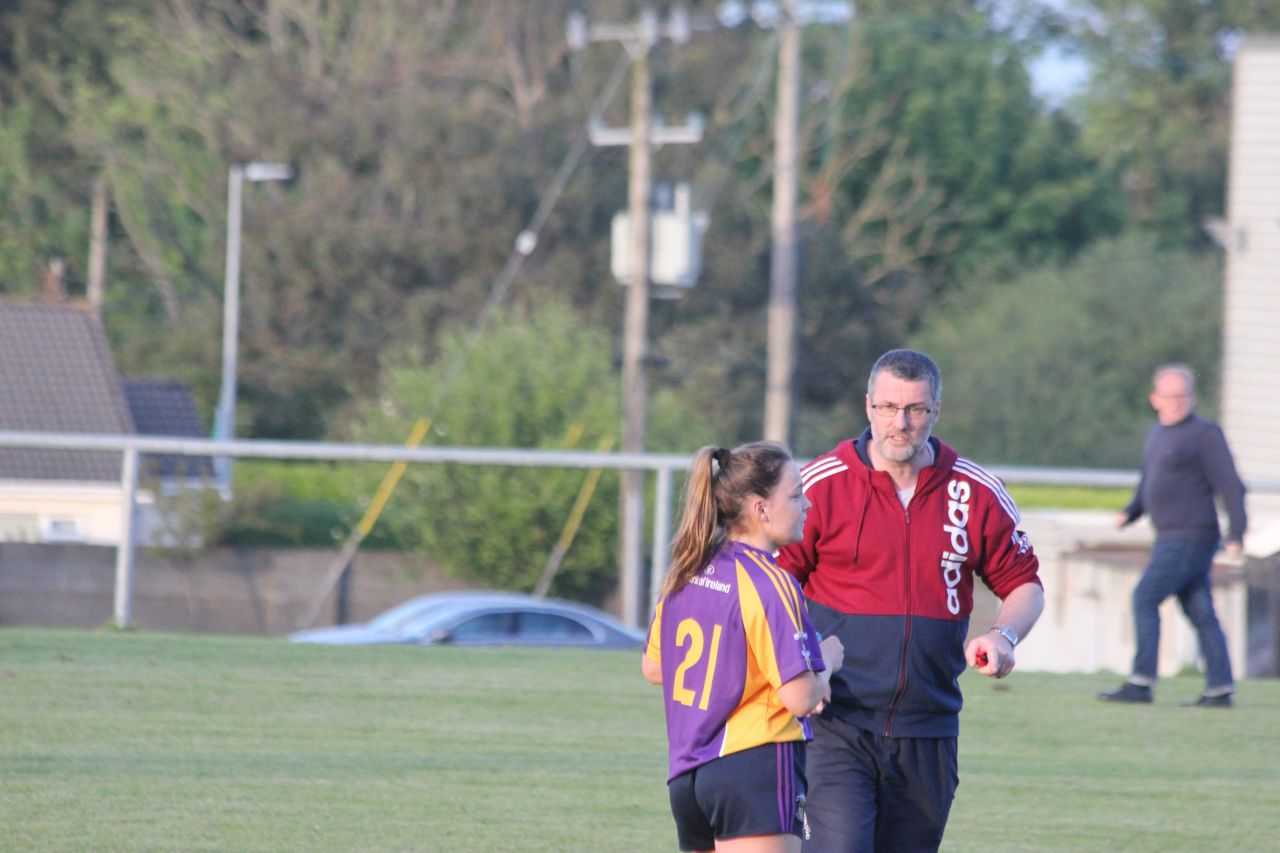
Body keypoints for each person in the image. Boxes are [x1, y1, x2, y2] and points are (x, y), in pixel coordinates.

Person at [774, 348, 1044, 853]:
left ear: (936, 411)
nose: (901, 423)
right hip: (837, 725)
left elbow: (1025, 584)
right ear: (868, 406)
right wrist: (799, 668)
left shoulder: (976, 490)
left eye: (916, 409)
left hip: (930, 729)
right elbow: (771, 587)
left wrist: (1003, 636)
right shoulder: (818, 487)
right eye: (888, 408)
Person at [644, 442, 846, 853]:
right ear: (760, 508)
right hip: (754, 767)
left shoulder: (690, 567)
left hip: (688, 777)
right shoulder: (772, 581)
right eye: (795, 495)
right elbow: (801, 698)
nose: (806, 504)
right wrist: (828, 664)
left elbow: (654, 667)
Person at [1098, 363, 1246, 708]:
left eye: (1183, 395)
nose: (1177, 402)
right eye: (1170, 396)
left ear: (1192, 397)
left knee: (1145, 598)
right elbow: (1149, 483)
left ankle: (1141, 682)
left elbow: (1231, 485)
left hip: (1191, 535)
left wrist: (1237, 531)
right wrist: (1131, 512)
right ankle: (1220, 688)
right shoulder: (1158, 433)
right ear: (1155, 399)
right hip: (1169, 535)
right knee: (1200, 610)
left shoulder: (1204, 434)